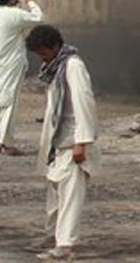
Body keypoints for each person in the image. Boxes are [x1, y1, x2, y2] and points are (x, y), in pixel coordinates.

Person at [26, 25, 101, 261]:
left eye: (43, 52)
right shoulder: (57, 68)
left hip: (73, 142)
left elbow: (84, 103)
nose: (42, 58)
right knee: (56, 191)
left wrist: (82, 142)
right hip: (58, 143)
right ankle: (55, 236)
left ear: (55, 47)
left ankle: (66, 245)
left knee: (70, 195)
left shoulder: (73, 66)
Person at [0, 0, 44, 154]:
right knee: (9, 101)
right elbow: (38, 17)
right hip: (9, 64)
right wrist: (29, 0)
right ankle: (6, 143)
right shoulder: (14, 15)